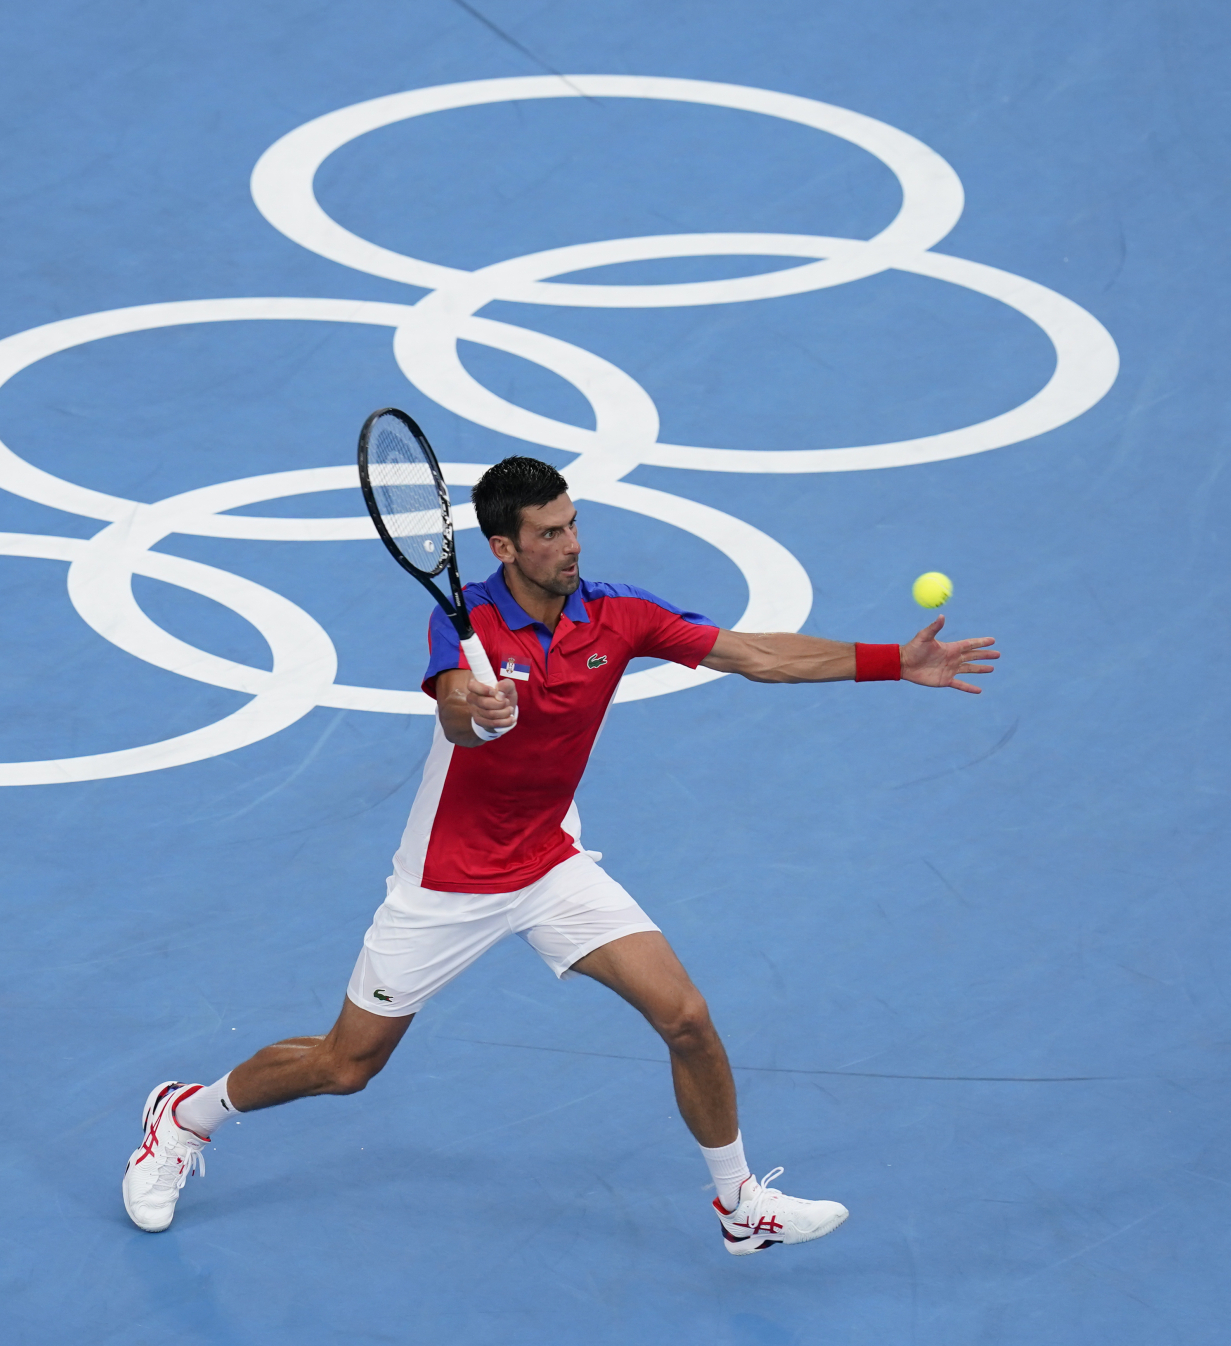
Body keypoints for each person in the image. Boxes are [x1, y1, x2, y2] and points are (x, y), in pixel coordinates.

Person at [123, 455, 999, 1254]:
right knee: (347, 1064)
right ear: (505, 546)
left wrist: (894, 662)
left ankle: (740, 1206)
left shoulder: (618, 614)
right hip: (448, 882)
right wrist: (480, 709)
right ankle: (184, 1116)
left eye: (573, 523)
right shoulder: (459, 620)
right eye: (549, 533)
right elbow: (454, 710)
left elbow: (757, 654)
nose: (571, 543)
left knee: (685, 1015)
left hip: (546, 862)